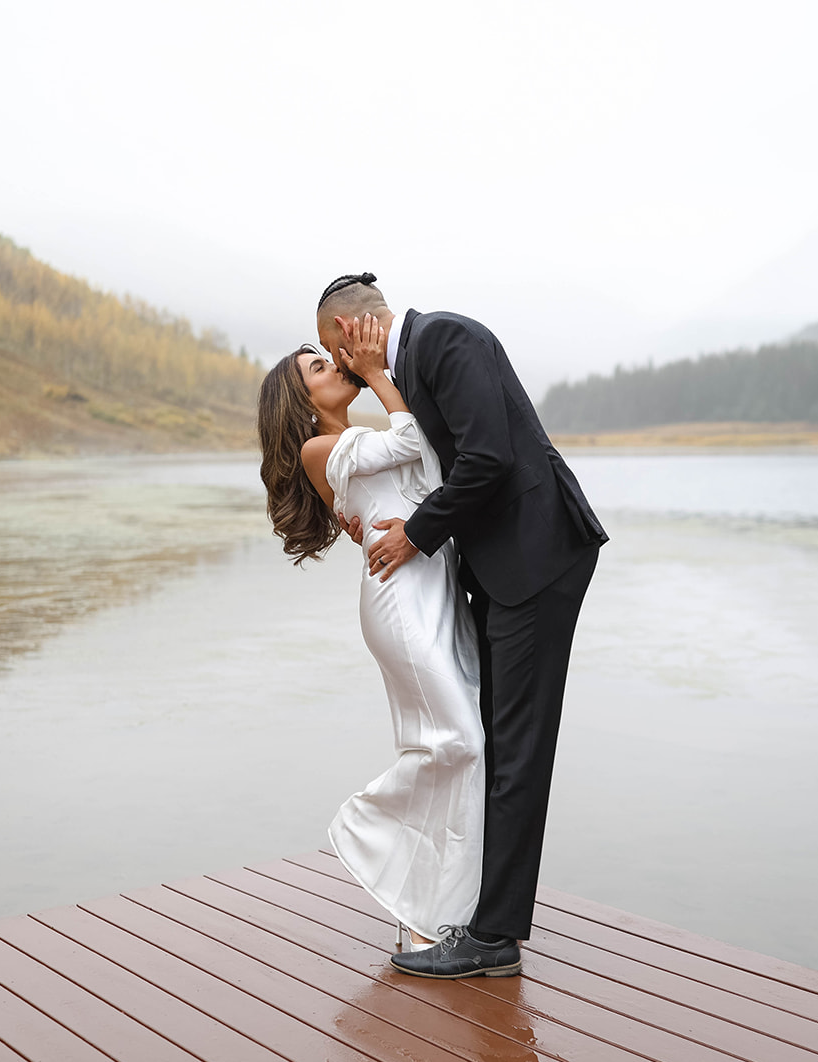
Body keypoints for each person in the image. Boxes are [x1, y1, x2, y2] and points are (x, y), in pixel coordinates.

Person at [320, 273, 606, 980]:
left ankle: (495, 936)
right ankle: (480, 912)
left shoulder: (445, 339)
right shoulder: (415, 366)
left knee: (516, 746)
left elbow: (488, 459)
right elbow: (437, 462)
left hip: (538, 559)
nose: (341, 362)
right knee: (493, 738)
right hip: (502, 569)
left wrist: (413, 534)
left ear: (354, 329)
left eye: (334, 346)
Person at [257, 334, 499, 968]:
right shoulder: (322, 445)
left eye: (329, 357)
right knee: (454, 742)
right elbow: (414, 441)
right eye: (319, 366)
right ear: (301, 399)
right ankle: (364, 831)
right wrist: (374, 370)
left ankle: (438, 915)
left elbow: (428, 471)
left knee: (459, 744)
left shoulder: (356, 440)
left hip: (433, 585)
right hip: (399, 599)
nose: (334, 365)